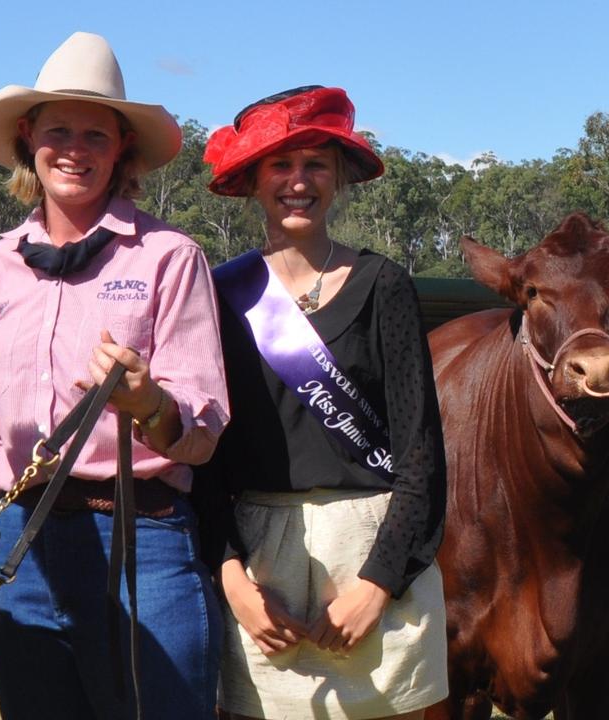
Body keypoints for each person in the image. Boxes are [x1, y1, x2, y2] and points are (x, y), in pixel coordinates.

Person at [0, 32, 229, 719]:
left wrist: (148, 404)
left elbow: (202, 431)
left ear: (123, 150)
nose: (74, 149)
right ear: (29, 139)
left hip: (142, 541)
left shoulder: (170, 258)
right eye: (58, 131)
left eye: (95, 134)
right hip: (19, 545)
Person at [196, 85, 448, 720]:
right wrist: (235, 585)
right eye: (280, 164)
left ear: (339, 177)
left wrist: (378, 583)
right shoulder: (219, 294)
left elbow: (421, 453)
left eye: (315, 164)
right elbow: (206, 459)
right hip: (262, 566)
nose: (298, 181)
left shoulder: (384, 284)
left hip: (375, 550)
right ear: (254, 179)